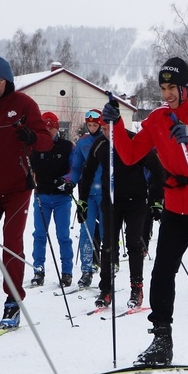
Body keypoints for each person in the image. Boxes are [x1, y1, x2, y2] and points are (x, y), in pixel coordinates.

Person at [101, 56, 188, 368]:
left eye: (171, 87)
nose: (166, 93)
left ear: (186, 87)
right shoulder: (157, 119)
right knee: (162, 272)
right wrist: (113, 125)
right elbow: (129, 155)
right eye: (162, 87)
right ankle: (161, 339)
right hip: (175, 206)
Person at [0, 56, 53, 325]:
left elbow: (45, 143)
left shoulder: (25, 104)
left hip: (18, 187)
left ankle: (12, 300)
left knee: (12, 244)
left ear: (9, 82)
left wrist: (31, 137)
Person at [78, 117, 163, 309]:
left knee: (134, 244)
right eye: (104, 129)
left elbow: (158, 171)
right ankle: (106, 289)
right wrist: (82, 200)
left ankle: (136, 288)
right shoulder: (100, 144)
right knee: (108, 245)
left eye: (111, 129)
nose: (108, 133)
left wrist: (157, 200)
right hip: (111, 201)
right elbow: (88, 172)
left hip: (136, 201)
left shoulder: (133, 141)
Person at [29, 111, 75, 289]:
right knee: (39, 234)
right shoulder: (36, 146)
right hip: (42, 195)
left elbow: (74, 169)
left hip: (61, 197)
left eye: (51, 129)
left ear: (57, 128)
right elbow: (29, 167)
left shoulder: (66, 146)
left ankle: (66, 272)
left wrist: (66, 181)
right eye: (45, 129)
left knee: (63, 235)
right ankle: (38, 270)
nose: (49, 132)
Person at [69, 109, 106, 289]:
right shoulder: (83, 143)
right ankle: (86, 270)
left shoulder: (108, 140)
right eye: (89, 125)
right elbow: (76, 168)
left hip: (107, 192)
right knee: (86, 231)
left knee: (107, 232)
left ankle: (107, 267)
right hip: (88, 193)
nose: (92, 128)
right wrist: (71, 182)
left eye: (95, 124)